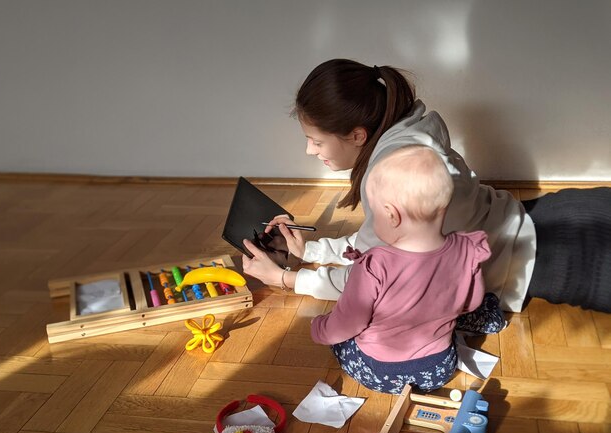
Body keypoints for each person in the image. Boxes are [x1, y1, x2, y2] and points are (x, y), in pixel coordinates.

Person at [242, 58, 611, 314]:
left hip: (556, 261)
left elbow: (371, 284)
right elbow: (384, 246)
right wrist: (316, 251)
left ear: (357, 135)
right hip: (544, 216)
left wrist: (287, 279)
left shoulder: (391, 176)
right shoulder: (408, 125)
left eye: (316, 141)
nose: (309, 150)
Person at [309, 145, 504, 393]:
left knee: (341, 339)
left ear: (392, 215)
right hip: (439, 368)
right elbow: (470, 303)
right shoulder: (467, 249)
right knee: (480, 302)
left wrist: (319, 327)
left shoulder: (374, 265)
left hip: (378, 371)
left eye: (373, 213)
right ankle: (487, 320)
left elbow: (348, 323)